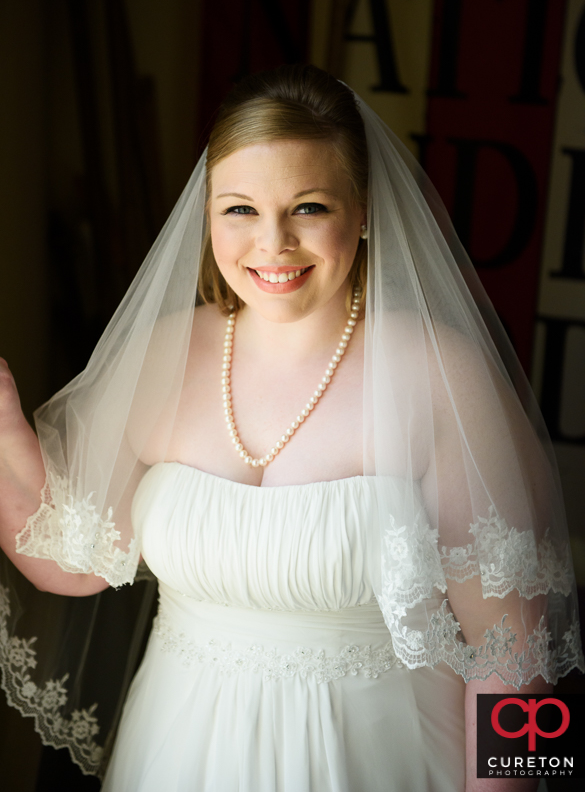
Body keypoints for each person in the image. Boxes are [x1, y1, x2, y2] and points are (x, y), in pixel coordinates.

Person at [0, 64, 582, 792]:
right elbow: (77, 562)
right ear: (205, 213)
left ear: (363, 210)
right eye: (239, 209)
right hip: (178, 756)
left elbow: (517, 654)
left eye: (307, 206)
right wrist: (3, 433)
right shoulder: (162, 355)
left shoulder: (442, 376)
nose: (271, 243)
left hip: (384, 763)